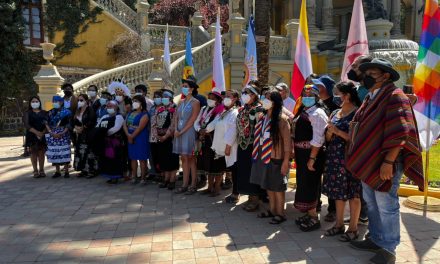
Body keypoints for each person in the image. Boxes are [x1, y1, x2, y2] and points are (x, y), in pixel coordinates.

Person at [347, 58, 424, 264]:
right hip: (370, 161)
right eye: (367, 74)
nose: (367, 77)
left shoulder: (395, 96)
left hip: (386, 163)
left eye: (371, 74)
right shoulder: (371, 97)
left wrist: (388, 163)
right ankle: (376, 238)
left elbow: (401, 132)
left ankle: (389, 249)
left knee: (386, 205)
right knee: (371, 204)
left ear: (386, 75)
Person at [322, 82, 362, 241]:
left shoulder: (358, 114)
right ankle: (339, 225)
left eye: (338, 93)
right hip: (334, 159)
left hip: (351, 160)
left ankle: (353, 229)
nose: (336, 96)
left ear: (347, 95)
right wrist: (330, 133)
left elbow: (356, 139)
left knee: (354, 195)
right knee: (338, 194)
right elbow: (327, 137)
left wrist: (337, 131)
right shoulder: (335, 113)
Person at [250, 87, 291, 224]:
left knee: (278, 187)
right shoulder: (262, 117)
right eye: (264, 98)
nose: (264, 101)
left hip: (277, 158)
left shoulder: (282, 120)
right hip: (264, 156)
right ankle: (273, 210)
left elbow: (287, 143)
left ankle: (281, 213)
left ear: (275, 102)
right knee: (268, 186)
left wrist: (286, 161)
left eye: (268, 99)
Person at [292, 84, 328, 232]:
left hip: (312, 154)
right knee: (303, 182)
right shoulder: (304, 111)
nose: (307, 98)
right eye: (304, 95)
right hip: (302, 154)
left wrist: (312, 158)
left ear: (316, 97)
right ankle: (308, 213)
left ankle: (314, 217)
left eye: (310, 95)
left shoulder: (318, 113)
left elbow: (319, 138)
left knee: (311, 183)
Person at [236, 82, 264, 212]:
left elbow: (260, 127)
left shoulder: (259, 108)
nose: (244, 95)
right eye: (243, 93)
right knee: (244, 171)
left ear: (254, 95)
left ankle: (255, 199)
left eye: (247, 93)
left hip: (253, 145)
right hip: (242, 144)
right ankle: (249, 197)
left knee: (253, 171)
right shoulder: (243, 109)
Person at [210, 90, 240, 203]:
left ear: (235, 99)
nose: (225, 98)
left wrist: (228, 146)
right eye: (225, 96)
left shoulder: (235, 113)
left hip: (231, 146)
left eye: (229, 96)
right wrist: (203, 129)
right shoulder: (223, 112)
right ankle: (233, 192)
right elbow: (214, 123)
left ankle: (236, 193)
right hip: (221, 146)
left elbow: (233, 130)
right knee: (230, 169)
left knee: (234, 170)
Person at [173, 76, 201, 194]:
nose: (183, 88)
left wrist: (181, 131)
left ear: (192, 89)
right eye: (183, 86)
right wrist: (175, 129)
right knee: (183, 158)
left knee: (191, 158)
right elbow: (176, 117)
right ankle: (184, 184)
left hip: (188, 132)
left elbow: (193, 119)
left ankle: (193, 184)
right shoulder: (181, 101)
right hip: (178, 131)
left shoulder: (196, 102)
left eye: (186, 87)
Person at [195, 89, 226, 197]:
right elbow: (197, 121)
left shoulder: (220, 110)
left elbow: (214, 123)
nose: (210, 100)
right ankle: (209, 187)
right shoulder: (204, 108)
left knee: (216, 165)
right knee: (207, 164)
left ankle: (217, 188)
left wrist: (205, 130)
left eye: (213, 99)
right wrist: (199, 130)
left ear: (218, 101)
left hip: (214, 140)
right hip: (204, 140)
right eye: (209, 98)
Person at [96, 100, 126, 184]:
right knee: (106, 159)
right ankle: (108, 175)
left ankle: (115, 177)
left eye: (111, 106)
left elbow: (116, 128)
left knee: (114, 159)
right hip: (104, 142)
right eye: (108, 106)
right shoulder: (104, 116)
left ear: (116, 107)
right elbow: (98, 126)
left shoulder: (119, 117)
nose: (109, 108)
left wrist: (105, 133)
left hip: (114, 142)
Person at [155, 89, 180, 190]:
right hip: (160, 137)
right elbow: (155, 123)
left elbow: (173, 124)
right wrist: (157, 135)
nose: (164, 99)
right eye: (163, 97)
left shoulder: (174, 108)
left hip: (170, 138)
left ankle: (172, 180)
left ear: (170, 98)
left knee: (172, 159)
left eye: (166, 97)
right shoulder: (160, 109)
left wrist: (166, 136)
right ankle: (166, 179)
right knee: (163, 158)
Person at [124, 95, 150, 184]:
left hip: (140, 138)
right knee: (133, 158)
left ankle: (143, 177)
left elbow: (140, 128)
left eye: (136, 101)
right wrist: (128, 135)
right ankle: (134, 177)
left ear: (141, 103)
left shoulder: (145, 114)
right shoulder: (130, 113)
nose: (134, 103)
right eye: (133, 101)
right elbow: (124, 124)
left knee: (142, 158)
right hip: (130, 137)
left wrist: (132, 136)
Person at [45, 96, 72, 178]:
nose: (55, 103)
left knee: (65, 152)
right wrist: (51, 132)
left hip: (64, 134)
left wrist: (62, 133)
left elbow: (69, 124)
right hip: (53, 134)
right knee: (55, 152)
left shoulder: (67, 112)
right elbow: (46, 123)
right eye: (53, 101)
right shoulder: (50, 112)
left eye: (57, 101)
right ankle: (57, 171)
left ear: (61, 102)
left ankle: (67, 171)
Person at [73, 94, 98, 178]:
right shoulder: (77, 111)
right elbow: (73, 121)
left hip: (88, 134)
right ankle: (83, 170)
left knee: (89, 153)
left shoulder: (90, 110)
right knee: (81, 153)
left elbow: (92, 120)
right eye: (78, 100)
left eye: (81, 100)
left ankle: (91, 170)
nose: (80, 102)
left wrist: (83, 128)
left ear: (86, 101)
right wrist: (76, 127)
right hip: (79, 135)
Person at [24, 96, 48, 178]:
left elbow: (47, 124)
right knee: (33, 153)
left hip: (42, 134)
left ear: (39, 102)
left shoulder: (44, 112)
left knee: (41, 153)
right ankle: (35, 170)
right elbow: (27, 125)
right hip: (32, 134)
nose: (35, 103)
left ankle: (42, 170)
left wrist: (42, 133)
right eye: (33, 102)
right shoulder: (27, 113)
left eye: (36, 101)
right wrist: (37, 133)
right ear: (30, 103)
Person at [149, 90, 164, 183]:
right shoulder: (152, 108)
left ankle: (163, 175)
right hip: (152, 136)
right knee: (154, 156)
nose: (156, 98)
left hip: (161, 136)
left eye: (158, 96)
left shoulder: (165, 108)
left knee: (161, 156)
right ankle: (157, 174)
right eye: (155, 96)